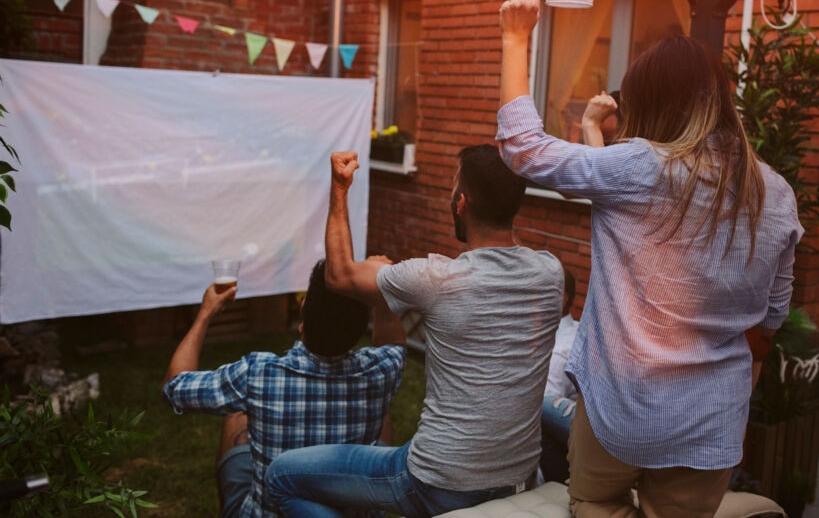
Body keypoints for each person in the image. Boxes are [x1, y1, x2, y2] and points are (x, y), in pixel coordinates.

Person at [498, 0, 804, 518]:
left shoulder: (638, 165)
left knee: (594, 501)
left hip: (623, 404)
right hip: (712, 418)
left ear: (652, 104)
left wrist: (516, 37)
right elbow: (773, 315)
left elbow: (523, 148)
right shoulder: (775, 192)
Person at [265, 144, 564, 518]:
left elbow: (339, 276)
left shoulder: (436, 279)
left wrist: (340, 189)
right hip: (515, 478)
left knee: (281, 477)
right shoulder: (550, 274)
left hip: (437, 481)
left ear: (461, 204)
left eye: (454, 187)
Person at [161, 261, 407, 518]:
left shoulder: (257, 373)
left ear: (303, 317)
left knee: (236, 419)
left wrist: (205, 314)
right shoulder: (381, 372)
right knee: (383, 414)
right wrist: (381, 285)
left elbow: (173, 386)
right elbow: (392, 342)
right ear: (360, 329)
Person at [540, 267, 579, 484]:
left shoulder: (560, 349)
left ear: (561, 299)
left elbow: (544, 404)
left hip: (573, 441)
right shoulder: (574, 327)